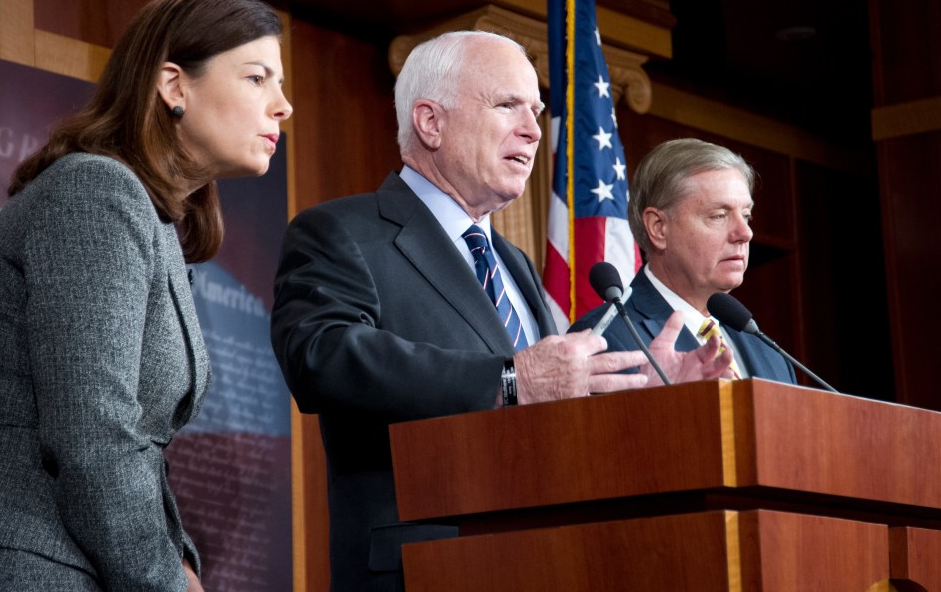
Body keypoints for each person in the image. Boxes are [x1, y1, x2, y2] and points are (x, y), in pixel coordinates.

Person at [270, 31, 730, 591]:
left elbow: (545, 418)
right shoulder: (342, 232)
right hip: (422, 568)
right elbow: (322, 358)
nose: (535, 130)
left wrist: (636, 395)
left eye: (536, 110)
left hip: (542, 560)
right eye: (508, 105)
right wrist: (511, 379)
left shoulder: (514, 263)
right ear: (430, 122)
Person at [0, 0, 292, 591]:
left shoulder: (147, 214)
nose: (282, 107)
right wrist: (165, 579)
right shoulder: (95, 192)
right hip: (24, 558)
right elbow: (93, 428)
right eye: (258, 78)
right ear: (174, 85)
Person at [571, 138, 796, 385]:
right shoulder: (603, 341)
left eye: (746, 215)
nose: (745, 233)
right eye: (719, 216)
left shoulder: (772, 356)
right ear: (659, 227)